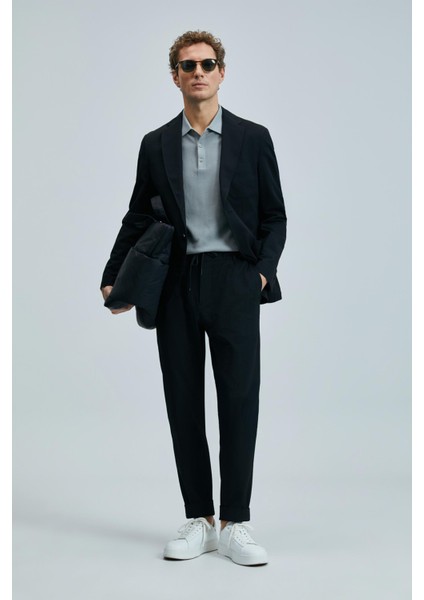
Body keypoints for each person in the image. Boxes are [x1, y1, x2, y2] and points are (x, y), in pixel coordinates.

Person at [100, 30, 287, 566]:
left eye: (207, 64)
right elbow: (138, 215)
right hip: (176, 282)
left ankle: (235, 522)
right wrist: (114, 276)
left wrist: (259, 275)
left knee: (239, 400)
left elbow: (275, 216)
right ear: (175, 76)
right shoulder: (156, 143)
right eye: (188, 66)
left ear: (222, 72)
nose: (198, 72)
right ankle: (200, 519)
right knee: (182, 398)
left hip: (234, 279)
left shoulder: (253, 138)